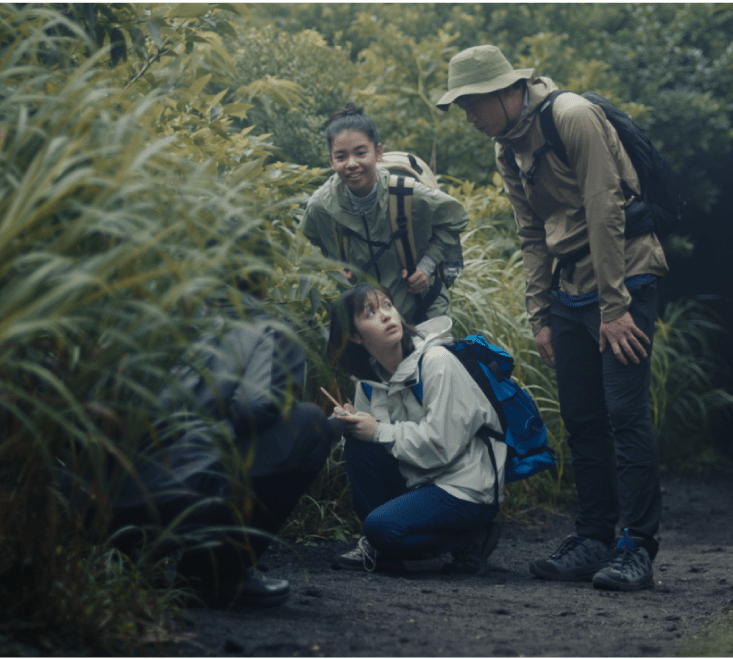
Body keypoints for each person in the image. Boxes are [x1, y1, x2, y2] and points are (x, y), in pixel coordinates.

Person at [437, 45, 669, 591]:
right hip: (569, 288)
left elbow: (605, 208)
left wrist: (615, 307)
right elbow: (532, 233)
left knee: (624, 413)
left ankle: (636, 546)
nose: (469, 117)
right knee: (582, 417)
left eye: (472, 104)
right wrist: (541, 314)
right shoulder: (506, 147)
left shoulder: (572, 116)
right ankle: (593, 538)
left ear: (504, 91)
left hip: (625, 275)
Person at [110, 304, 340, 609]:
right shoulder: (266, 330)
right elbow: (254, 406)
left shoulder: (160, 314)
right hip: (178, 495)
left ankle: (124, 560)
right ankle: (213, 573)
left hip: (104, 509)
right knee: (311, 423)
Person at [324, 282, 504, 575]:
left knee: (380, 529)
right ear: (354, 336)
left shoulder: (436, 362)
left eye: (387, 305)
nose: (386, 315)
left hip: (465, 486)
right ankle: (383, 549)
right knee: (359, 444)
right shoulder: (368, 383)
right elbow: (372, 447)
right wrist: (355, 424)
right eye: (370, 313)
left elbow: (442, 446)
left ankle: (472, 536)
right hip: (419, 480)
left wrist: (378, 430)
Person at [302, 104, 468, 325]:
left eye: (361, 153)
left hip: (423, 309)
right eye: (341, 156)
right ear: (332, 161)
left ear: (378, 152)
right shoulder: (321, 207)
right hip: (369, 323)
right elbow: (305, 246)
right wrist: (331, 267)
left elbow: (456, 218)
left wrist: (426, 267)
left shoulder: (406, 193)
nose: (351, 164)